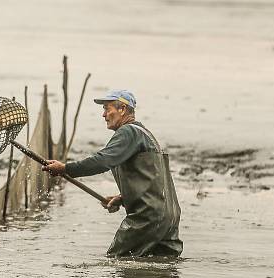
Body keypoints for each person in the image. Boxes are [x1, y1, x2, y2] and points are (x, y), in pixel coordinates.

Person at [43, 90, 183, 257]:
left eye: (107, 109)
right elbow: (153, 179)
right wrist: (123, 197)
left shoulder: (128, 132)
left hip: (147, 218)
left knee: (116, 260)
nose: (103, 115)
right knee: (163, 268)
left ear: (122, 109)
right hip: (168, 216)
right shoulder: (145, 134)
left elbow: (102, 161)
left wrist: (66, 169)